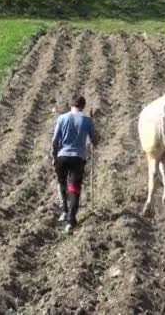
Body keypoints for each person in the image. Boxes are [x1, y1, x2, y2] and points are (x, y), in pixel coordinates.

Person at [50, 95, 97, 233]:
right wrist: (93, 131)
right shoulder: (87, 121)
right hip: (78, 158)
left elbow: (54, 140)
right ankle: (71, 221)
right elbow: (95, 140)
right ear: (83, 106)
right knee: (74, 189)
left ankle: (64, 209)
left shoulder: (62, 118)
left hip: (62, 157)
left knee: (62, 184)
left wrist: (54, 156)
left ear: (71, 105)